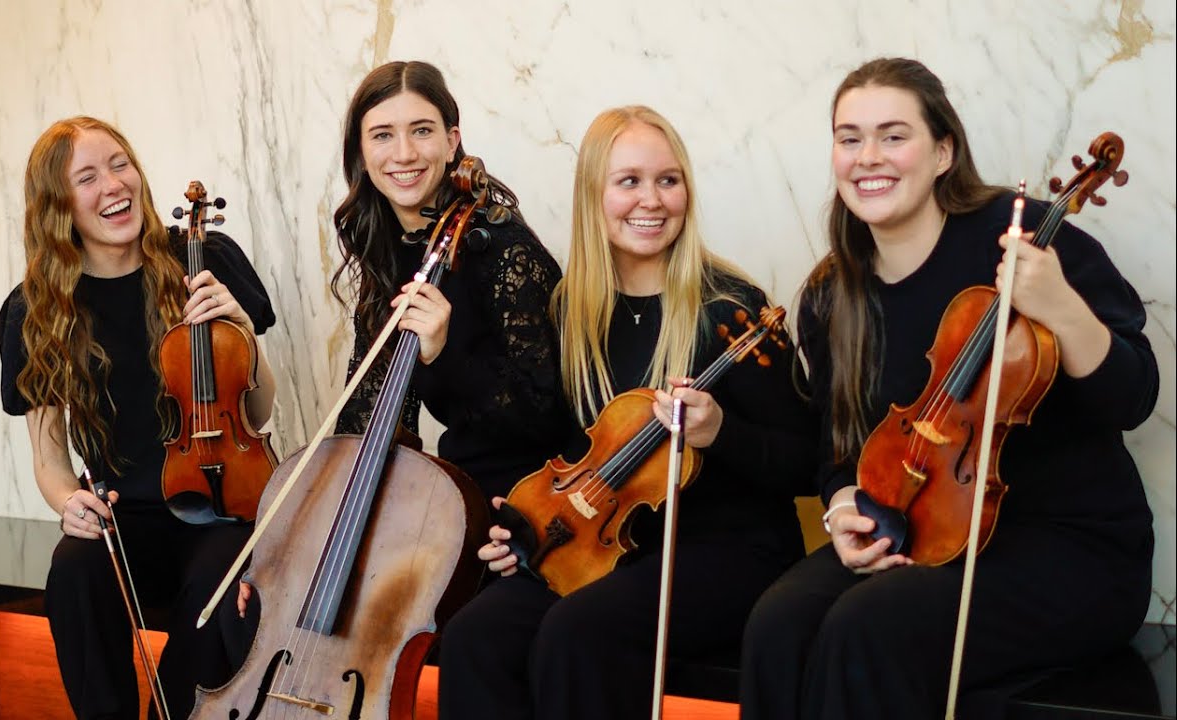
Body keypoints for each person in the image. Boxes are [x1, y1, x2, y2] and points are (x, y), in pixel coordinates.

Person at [739, 57, 1157, 719]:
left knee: (869, 629)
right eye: (849, 138)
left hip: (1067, 547)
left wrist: (1064, 308)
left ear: (943, 152)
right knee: (776, 626)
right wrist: (842, 507)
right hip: (919, 527)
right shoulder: (832, 292)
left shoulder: (1028, 248)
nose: (868, 156)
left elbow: (1133, 398)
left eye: (893, 135)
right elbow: (838, 450)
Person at [436, 105, 816, 720]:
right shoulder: (571, 314)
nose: (653, 199)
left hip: (730, 553)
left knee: (578, 633)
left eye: (669, 179)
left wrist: (722, 433)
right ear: (595, 195)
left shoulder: (732, 309)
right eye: (629, 181)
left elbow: (807, 463)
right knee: (477, 637)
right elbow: (560, 453)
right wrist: (527, 523)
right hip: (609, 546)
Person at [229, 61, 567, 625]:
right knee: (271, 601)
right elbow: (369, 414)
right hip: (451, 495)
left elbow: (550, 414)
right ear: (362, 154)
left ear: (453, 140)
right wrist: (291, 542)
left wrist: (445, 353)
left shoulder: (505, 249)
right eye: (383, 135)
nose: (404, 154)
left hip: (527, 503)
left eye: (422, 130)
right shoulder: (393, 249)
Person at [0, 115, 277, 719]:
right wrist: (68, 501)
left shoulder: (204, 259)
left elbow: (255, 413)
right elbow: (49, 460)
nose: (113, 185)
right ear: (59, 205)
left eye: (120, 164)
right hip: (125, 515)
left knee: (220, 583)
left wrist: (243, 333)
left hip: (221, 507)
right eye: (87, 177)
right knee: (73, 573)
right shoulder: (35, 310)